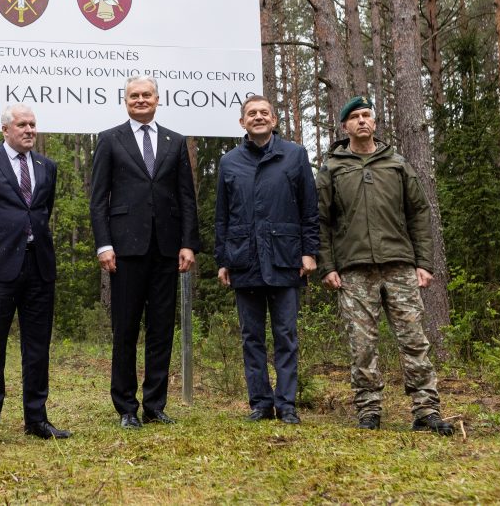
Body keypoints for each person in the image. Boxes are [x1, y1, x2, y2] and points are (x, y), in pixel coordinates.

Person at [317, 95, 453, 435]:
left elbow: (419, 212)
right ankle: (369, 411)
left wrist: (424, 263)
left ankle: (426, 410)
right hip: (353, 269)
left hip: (400, 265)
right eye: (355, 117)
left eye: (367, 116)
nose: (363, 121)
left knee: (414, 340)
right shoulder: (332, 168)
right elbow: (320, 221)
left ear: (375, 123)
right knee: (361, 344)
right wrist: (328, 266)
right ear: (344, 125)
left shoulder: (396, 163)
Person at [90, 75, 200, 428]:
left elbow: (186, 198)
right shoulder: (109, 139)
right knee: (125, 329)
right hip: (125, 250)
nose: (140, 100)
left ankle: (154, 404)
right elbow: (98, 199)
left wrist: (187, 243)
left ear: (157, 99)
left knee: (161, 329)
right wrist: (104, 244)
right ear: (126, 101)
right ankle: (126, 407)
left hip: (166, 249)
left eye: (146, 95)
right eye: (134, 95)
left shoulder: (175, 141)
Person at [0, 104, 70, 445]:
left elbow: (41, 212)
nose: (29, 130)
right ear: (6, 130)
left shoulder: (47, 167)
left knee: (37, 347)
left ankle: (37, 418)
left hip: (38, 266)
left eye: (33, 124)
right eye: (22, 124)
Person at [214, 95, 318, 424]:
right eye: (251, 114)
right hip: (244, 260)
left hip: (286, 258)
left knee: (286, 335)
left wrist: (309, 252)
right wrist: (223, 259)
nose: (258, 117)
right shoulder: (229, 162)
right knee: (251, 337)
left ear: (274, 120)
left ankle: (286, 404)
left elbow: (309, 209)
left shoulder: (295, 155)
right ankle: (260, 402)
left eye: (264, 113)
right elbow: (222, 218)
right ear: (242, 122)